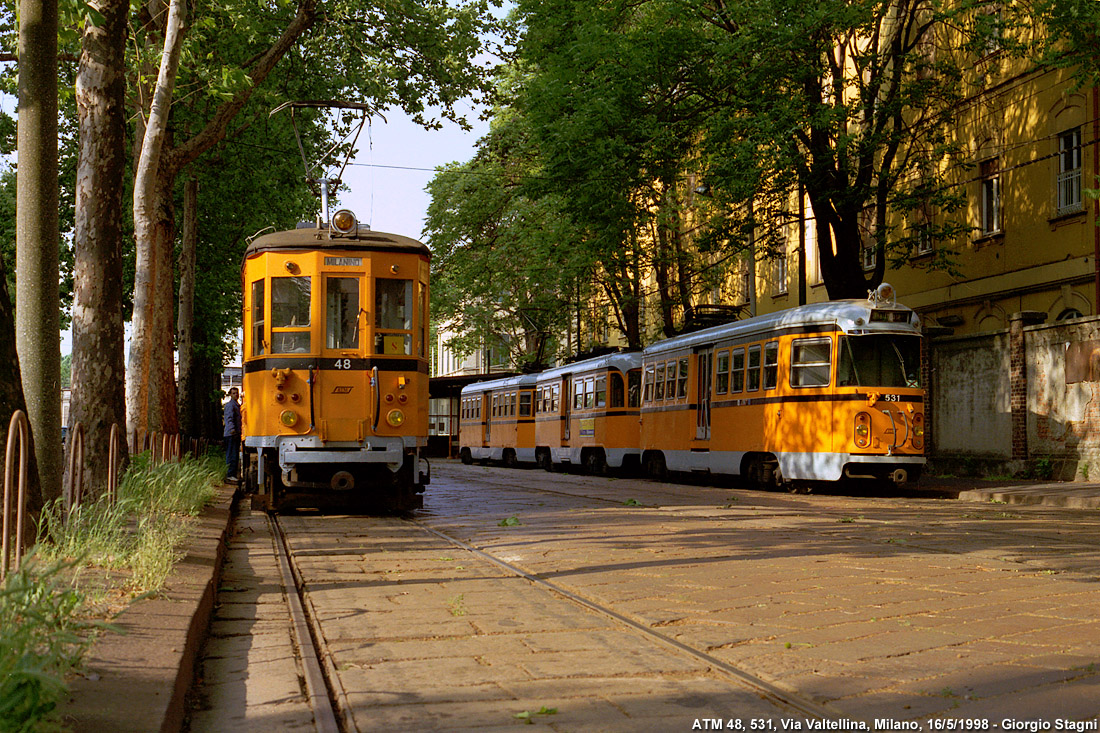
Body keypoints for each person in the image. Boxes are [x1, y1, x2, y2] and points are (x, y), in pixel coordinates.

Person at [223, 387, 242, 481]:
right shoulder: (230, 406)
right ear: (230, 394)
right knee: (231, 454)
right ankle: (230, 474)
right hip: (231, 434)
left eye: (237, 393)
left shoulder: (237, 405)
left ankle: (232, 474)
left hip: (235, 434)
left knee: (234, 454)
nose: (236, 395)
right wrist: (232, 430)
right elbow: (229, 418)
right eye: (234, 393)